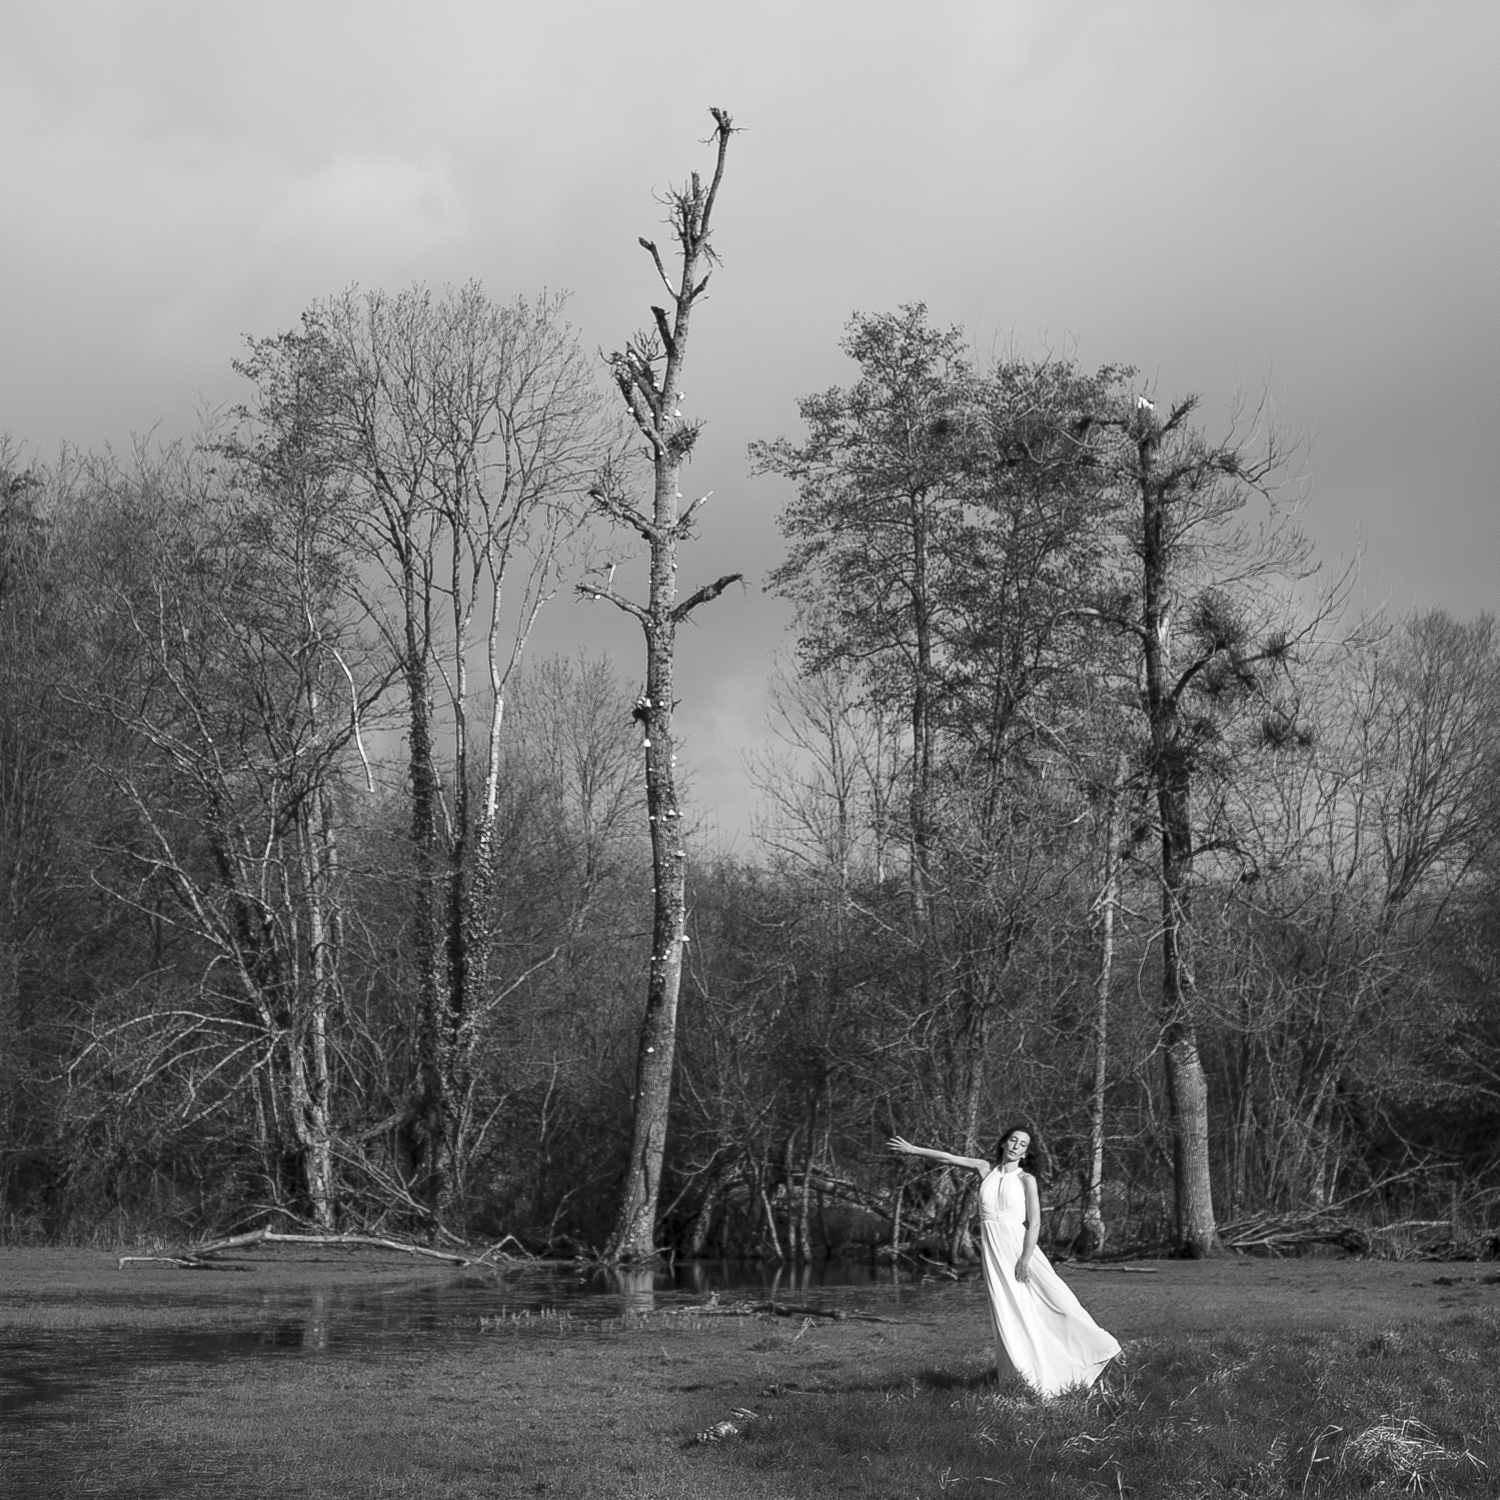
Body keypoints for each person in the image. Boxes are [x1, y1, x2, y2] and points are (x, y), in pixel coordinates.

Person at [888, 1125, 1120, 1397]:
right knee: (1007, 1312)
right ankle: (1025, 1376)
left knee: (1057, 1300)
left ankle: (1104, 1347)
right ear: (1003, 1143)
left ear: (1025, 1152)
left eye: (1022, 1144)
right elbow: (948, 1158)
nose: (1015, 1147)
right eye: (1013, 1140)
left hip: (1020, 1250)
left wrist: (1024, 1259)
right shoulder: (985, 1169)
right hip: (994, 1253)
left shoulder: (1026, 1180)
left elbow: (1034, 1224)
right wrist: (912, 1149)